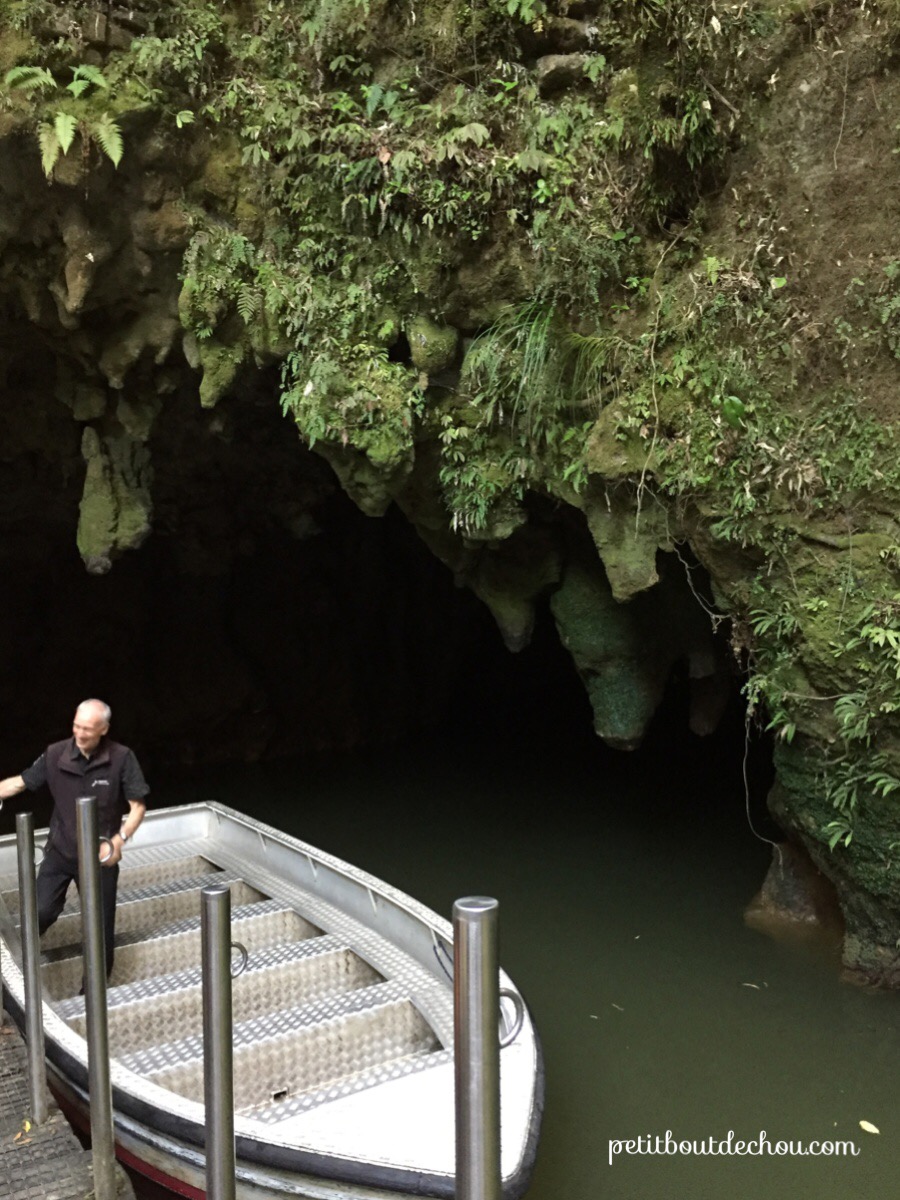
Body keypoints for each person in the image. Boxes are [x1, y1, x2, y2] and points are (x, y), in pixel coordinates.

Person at [0, 699, 149, 979]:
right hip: (61, 850)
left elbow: (137, 807)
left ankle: (94, 988)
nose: (80, 734)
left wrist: (119, 841)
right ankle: (21, 967)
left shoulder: (122, 758)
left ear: (103, 729)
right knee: (39, 912)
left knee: (99, 930)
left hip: (100, 855)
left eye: (88, 729)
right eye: (76, 726)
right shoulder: (55, 753)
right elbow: (21, 782)